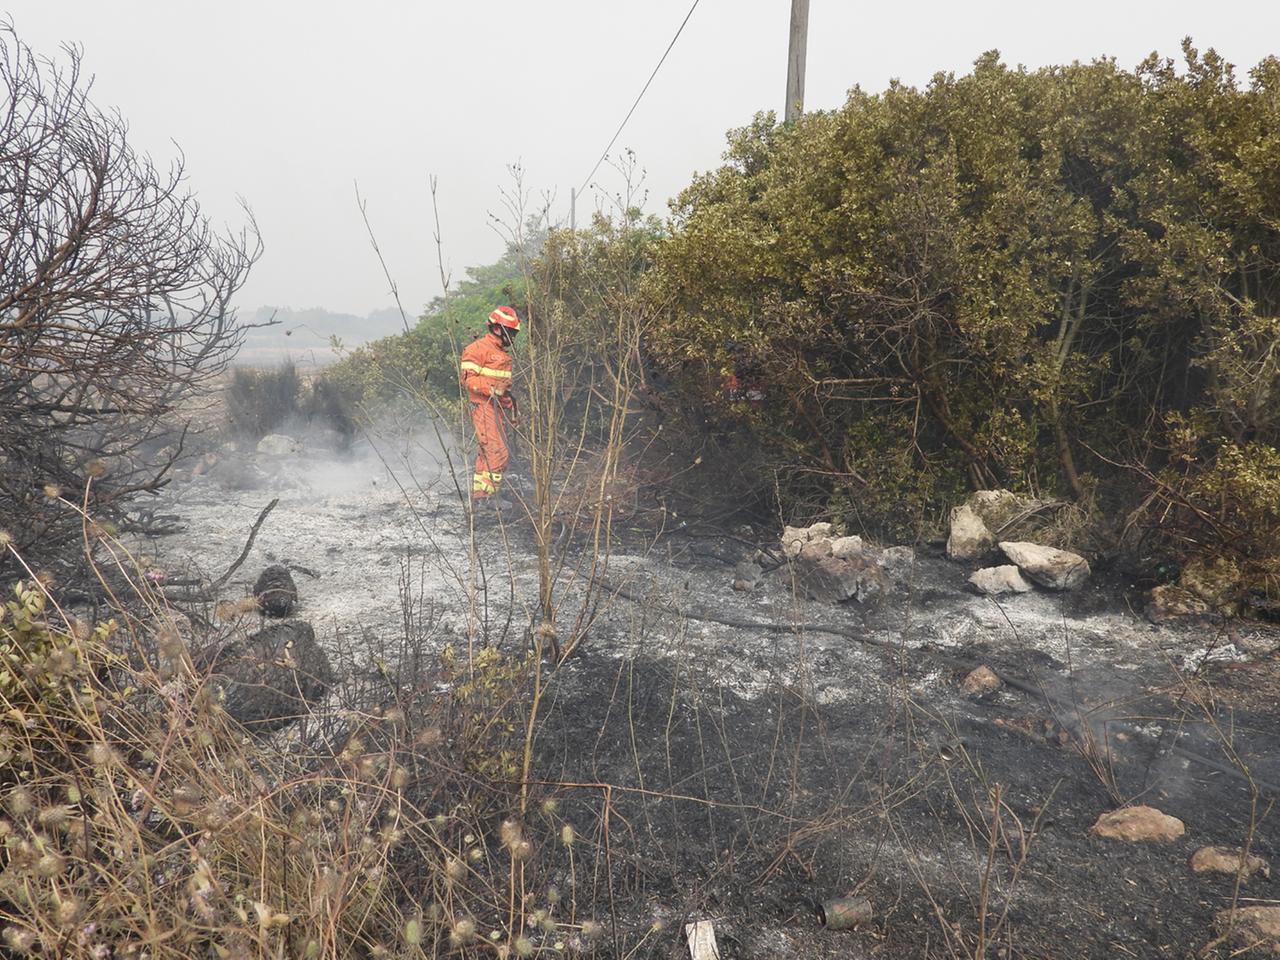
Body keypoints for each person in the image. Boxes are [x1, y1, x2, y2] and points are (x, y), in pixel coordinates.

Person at [459, 306, 520, 502]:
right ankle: (490, 498)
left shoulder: (502, 354)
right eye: (510, 332)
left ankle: (480, 497)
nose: (512, 336)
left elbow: (504, 389)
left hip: (497, 410)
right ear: (496, 329)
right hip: (483, 407)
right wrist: (492, 389)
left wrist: (512, 410)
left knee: (486, 454)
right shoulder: (477, 349)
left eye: (514, 333)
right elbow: (468, 380)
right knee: (497, 453)